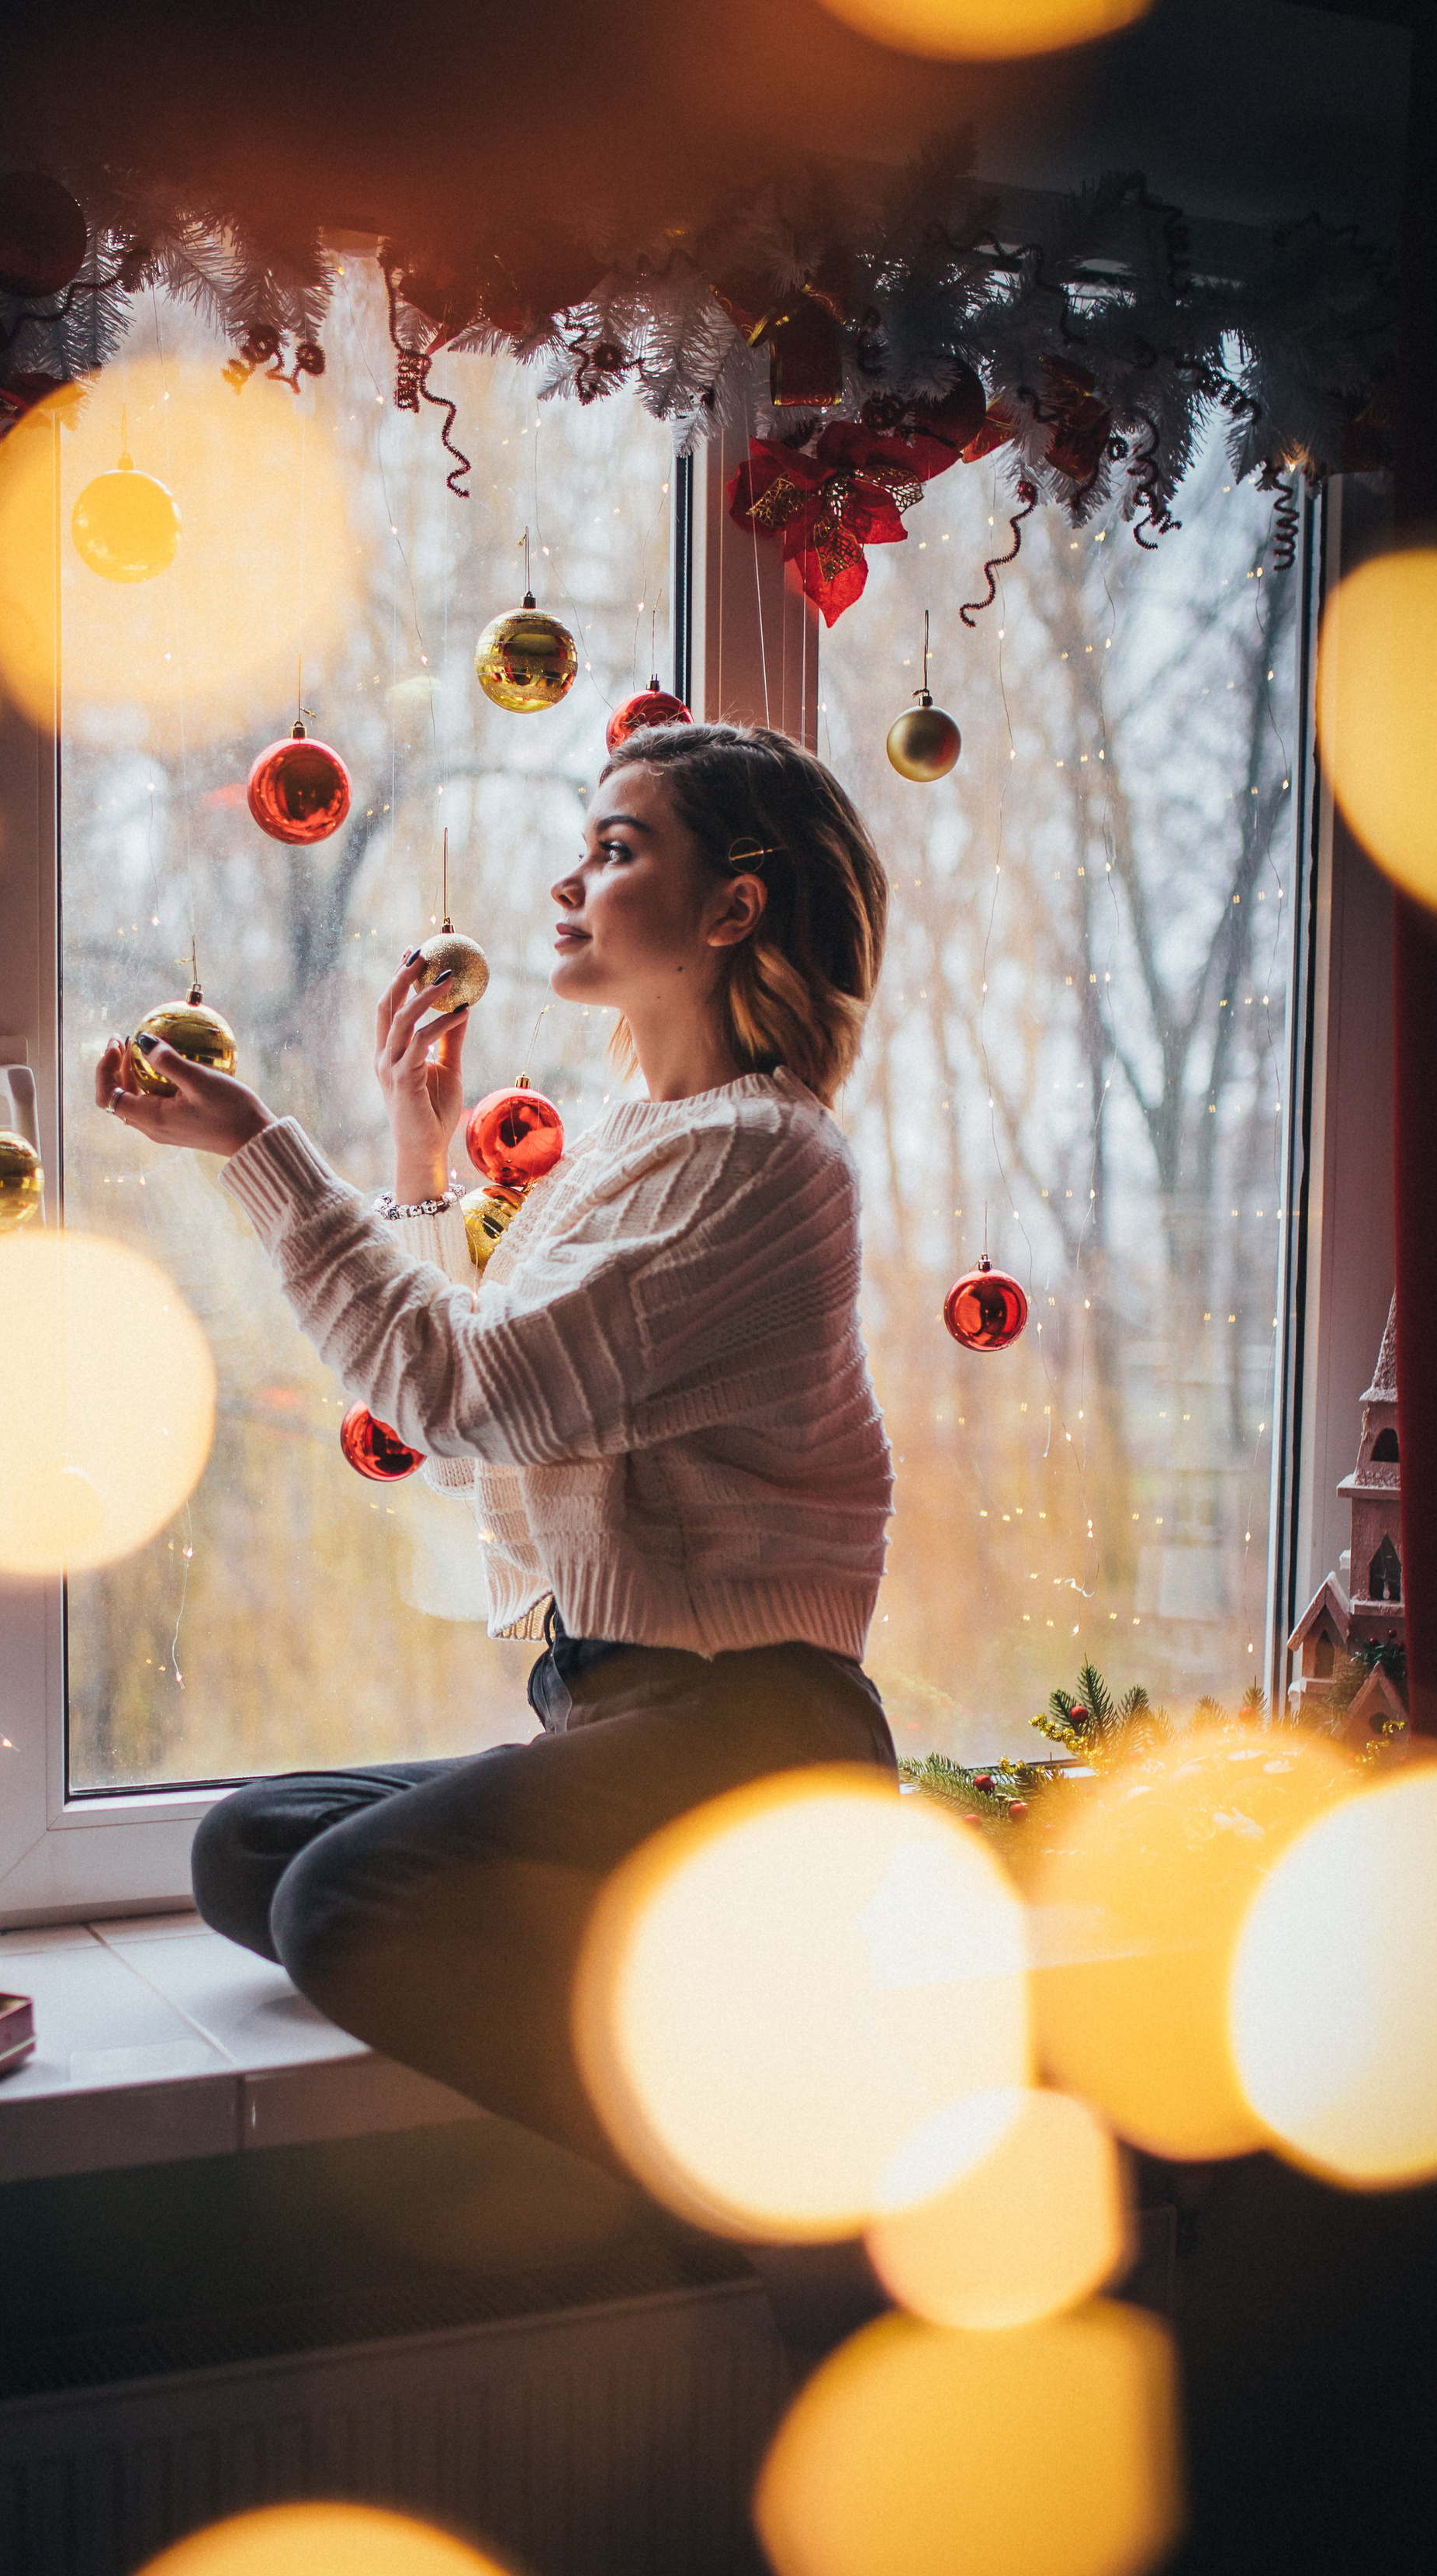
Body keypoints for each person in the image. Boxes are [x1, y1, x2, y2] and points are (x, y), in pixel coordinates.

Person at [96, 720, 896, 2185]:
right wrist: (419, 1151)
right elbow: (475, 1442)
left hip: (751, 1737)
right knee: (246, 1853)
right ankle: (672, 1963)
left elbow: (466, 1394)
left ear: (733, 909)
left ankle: (753, 2167)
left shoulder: (766, 1160)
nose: (565, 882)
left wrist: (261, 1149)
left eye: (616, 847)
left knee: (345, 1905)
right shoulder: (632, 1143)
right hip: (616, 1726)